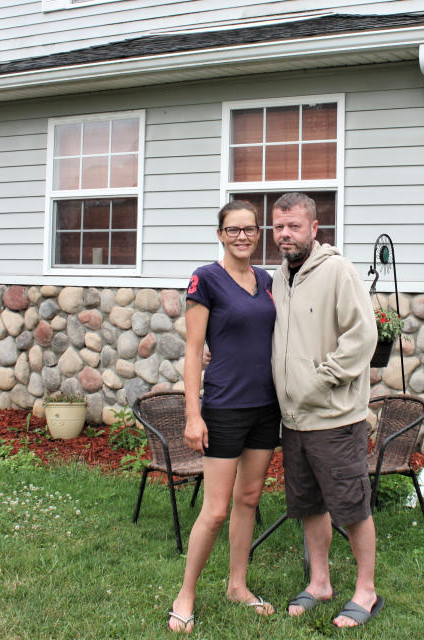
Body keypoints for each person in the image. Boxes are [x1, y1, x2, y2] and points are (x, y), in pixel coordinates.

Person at [269, 192, 382, 629]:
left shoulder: (338, 271)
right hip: (294, 420)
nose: (285, 234)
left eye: (294, 226)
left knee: (351, 507)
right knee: (310, 506)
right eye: (279, 227)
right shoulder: (279, 278)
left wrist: (321, 380)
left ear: (315, 228)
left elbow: (362, 337)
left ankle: (366, 592)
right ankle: (319, 583)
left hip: (334, 418)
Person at [168, 200, 280, 633]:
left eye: (249, 229)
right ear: (220, 234)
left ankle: (238, 585)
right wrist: (192, 415)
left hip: (265, 407)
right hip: (224, 405)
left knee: (249, 499)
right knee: (214, 510)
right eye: (233, 230)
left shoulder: (266, 279)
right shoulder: (206, 279)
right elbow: (194, 351)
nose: (242, 236)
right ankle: (186, 593)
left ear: (258, 232)